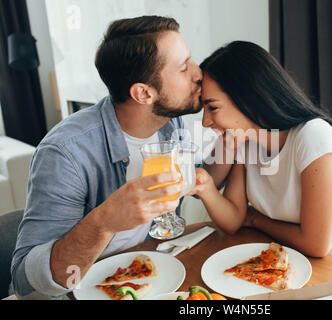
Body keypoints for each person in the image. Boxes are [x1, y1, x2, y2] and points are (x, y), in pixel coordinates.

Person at [11, 15, 204, 299]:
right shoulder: (66, 153)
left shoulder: (170, 123)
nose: (199, 73)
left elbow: (196, 181)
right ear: (143, 93)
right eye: (183, 67)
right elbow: (25, 283)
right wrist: (103, 222)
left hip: (143, 276)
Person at [193, 41, 332, 270]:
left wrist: (257, 220)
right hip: (301, 267)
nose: (205, 122)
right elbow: (234, 219)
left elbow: (316, 244)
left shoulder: (313, 138)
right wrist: (207, 187)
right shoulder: (246, 142)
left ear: (248, 98)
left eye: (213, 108)